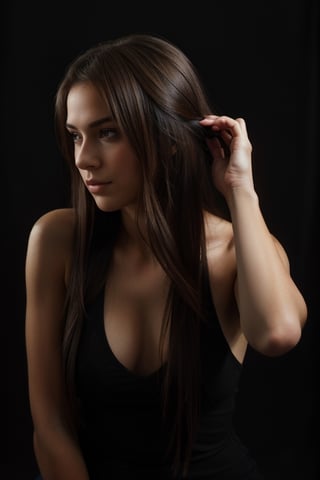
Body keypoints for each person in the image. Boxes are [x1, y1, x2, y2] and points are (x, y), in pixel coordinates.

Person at [25, 33, 308, 480]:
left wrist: (240, 191)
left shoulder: (239, 251)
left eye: (108, 133)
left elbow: (276, 334)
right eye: (76, 135)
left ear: (169, 138)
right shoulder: (58, 239)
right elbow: (50, 425)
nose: (84, 159)